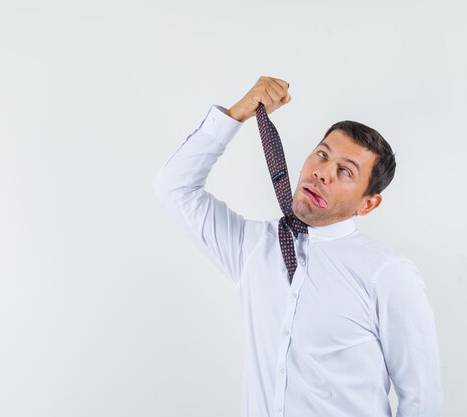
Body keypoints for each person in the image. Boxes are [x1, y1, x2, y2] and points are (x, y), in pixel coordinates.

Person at [152, 76, 443, 417]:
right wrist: (236, 115)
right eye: (322, 154)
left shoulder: (388, 275)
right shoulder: (251, 248)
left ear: (368, 204)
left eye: (345, 172)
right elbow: (174, 188)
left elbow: (422, 401)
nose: (323, 173)